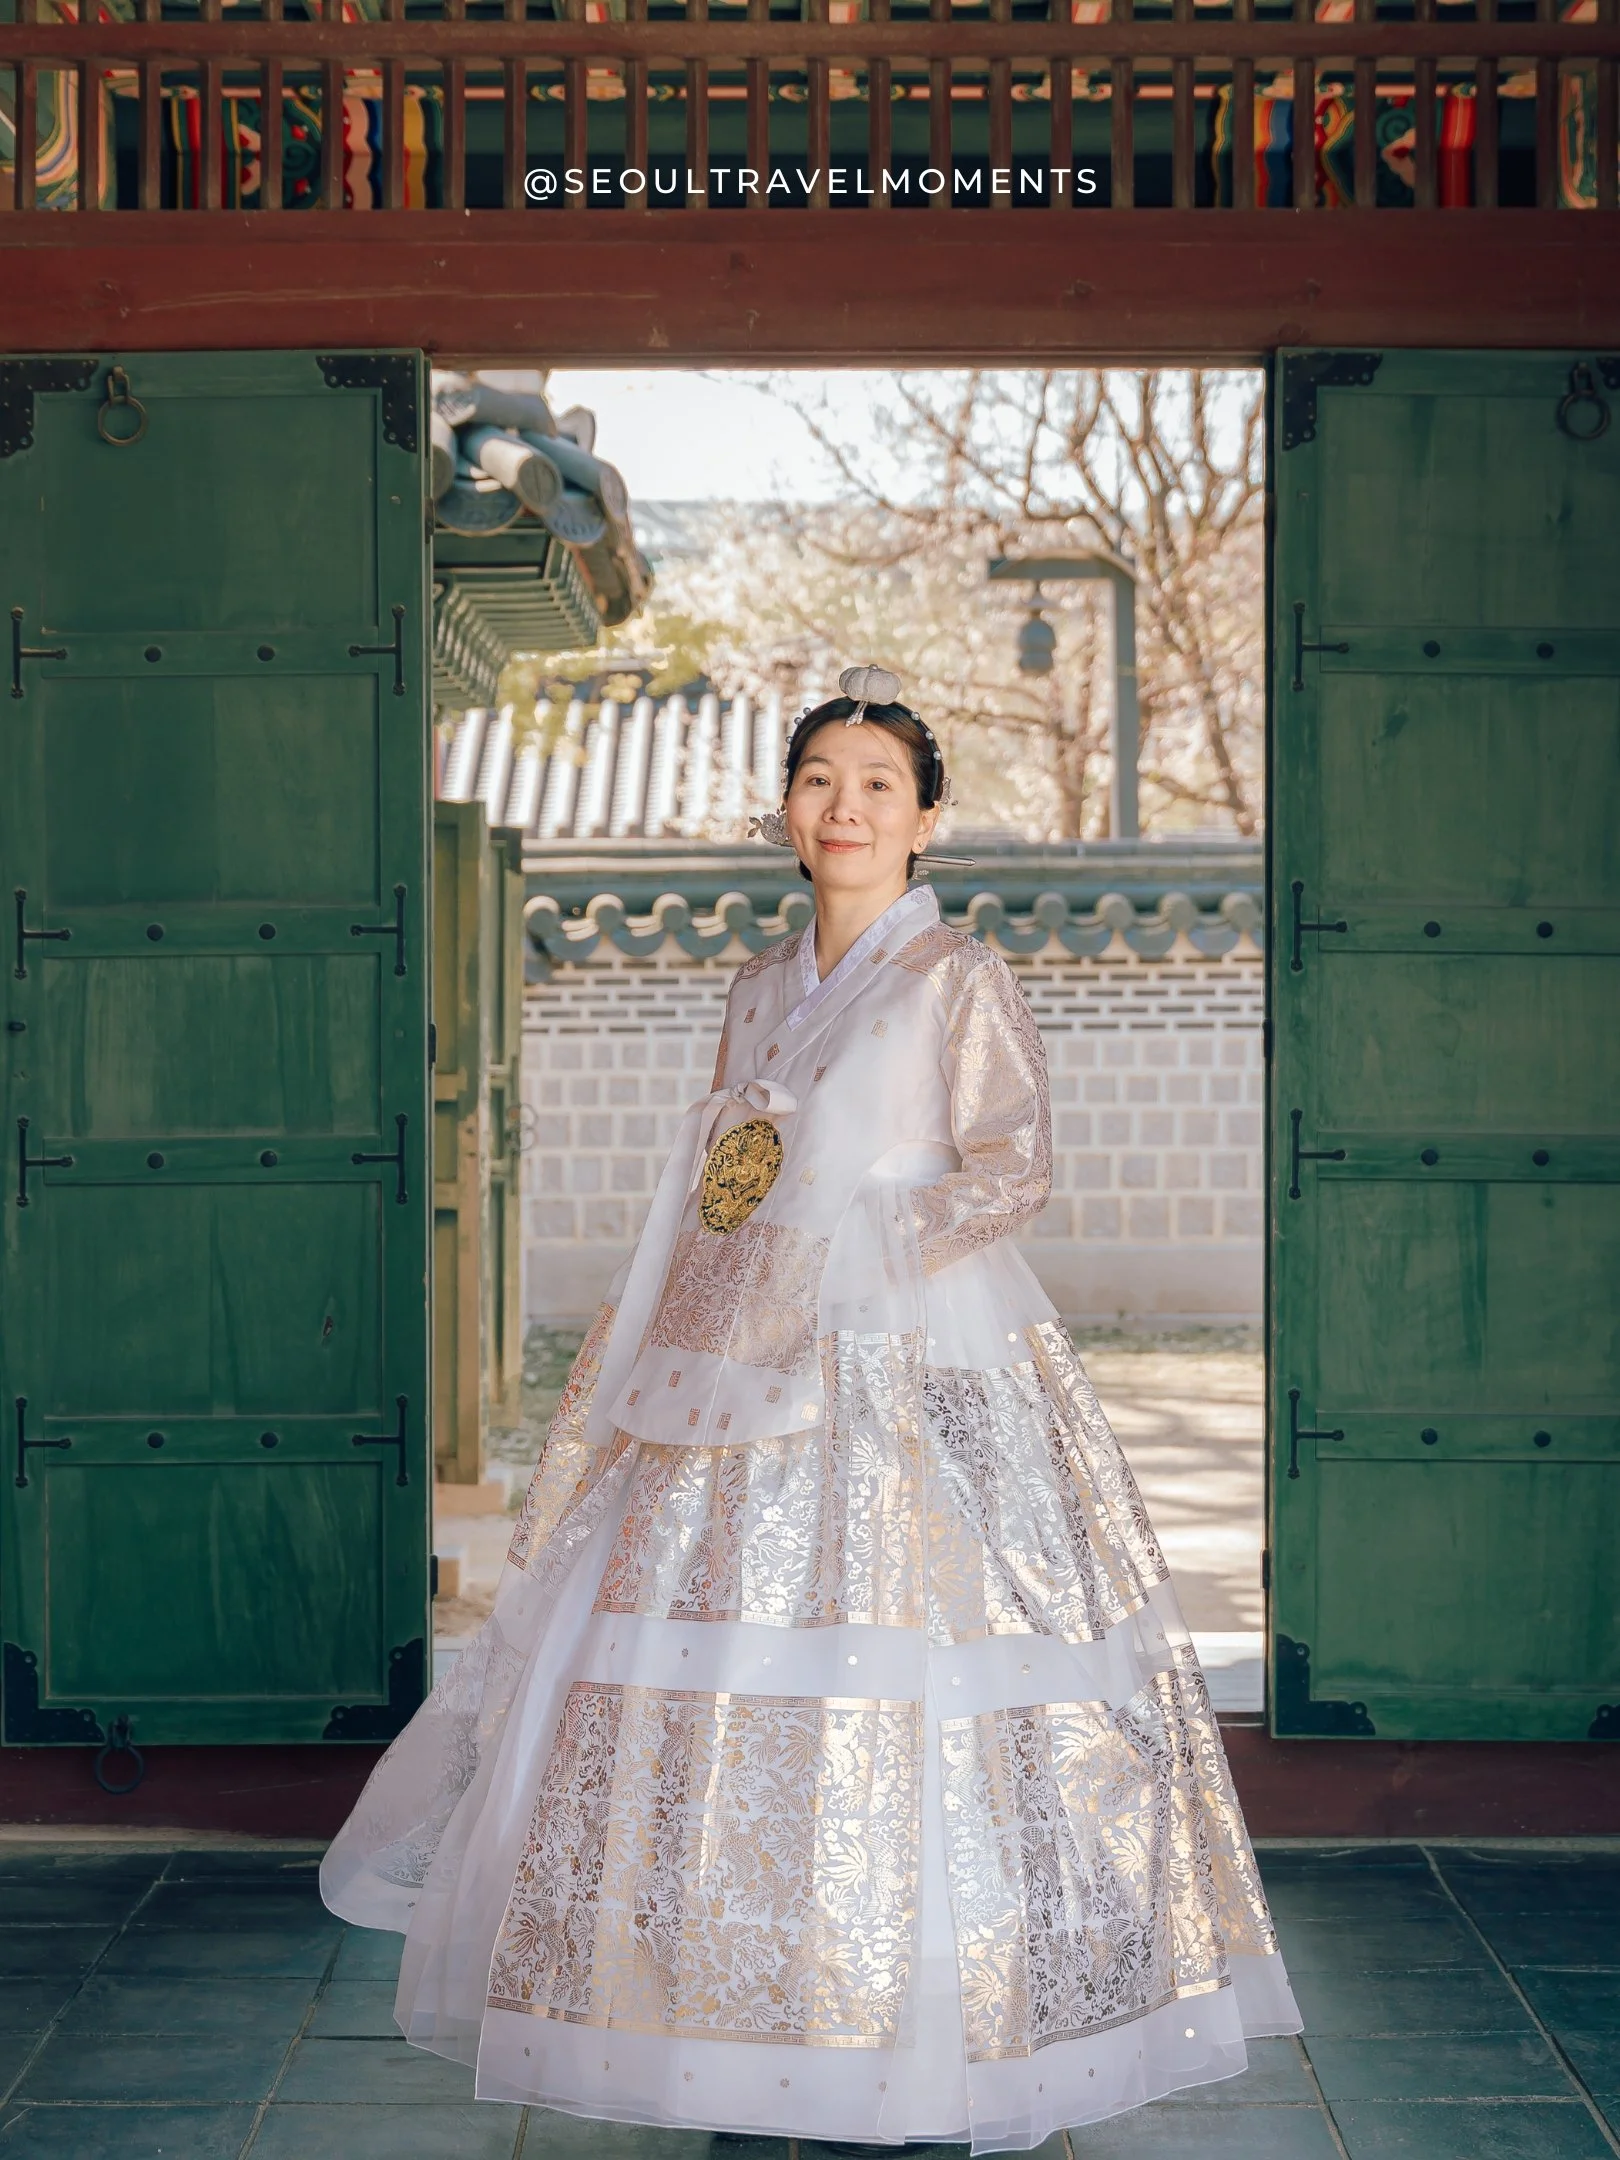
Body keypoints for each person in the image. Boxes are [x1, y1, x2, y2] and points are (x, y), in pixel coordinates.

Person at [321, 664, 1300, 2151]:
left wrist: (857, 1235)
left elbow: (1014, 1168)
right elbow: (729, 1182)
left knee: (922, 1677)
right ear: (786, 810)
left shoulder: (956, 977)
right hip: (738, 1358)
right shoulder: (759, 988)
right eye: (819, 781)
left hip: (912, 1356)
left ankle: (935, 2020)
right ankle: (746, 2010)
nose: (845, 808)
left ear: (926, 819)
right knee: (713, 1674)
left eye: (878, 785)